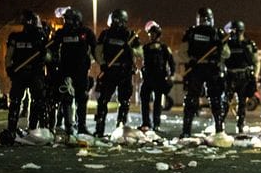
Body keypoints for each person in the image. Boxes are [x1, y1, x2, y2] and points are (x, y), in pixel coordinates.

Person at [177, 7, 230, 138]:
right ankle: (191, 130)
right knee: (198, 99)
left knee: (210, 99)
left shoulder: (200, 32)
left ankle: (191, 130)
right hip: (203, 69)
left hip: (203, 69)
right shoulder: (215, 33)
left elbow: (182, 52)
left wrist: (220, 46)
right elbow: (226, 54)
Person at [0, 10, 49, 144]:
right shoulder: (39, 38)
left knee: (18, 101)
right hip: (31, 74)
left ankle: (15, 129)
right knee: (36, 101)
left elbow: (8, 56)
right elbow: (47, 57)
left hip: (23, 73)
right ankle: (34, 129)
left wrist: (9, 68)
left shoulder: (16, 37)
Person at [93, 9, 142, 137]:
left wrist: (130, 48)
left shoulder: (130, 35)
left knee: (124, 101)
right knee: (103, 100)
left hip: (124, 71)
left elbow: (140, 52)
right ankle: (99, 128)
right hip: (109, 70)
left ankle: (120, 128)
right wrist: (102, 63)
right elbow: (98, 51)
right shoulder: (105, 34)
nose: (115, 22)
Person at [51, 8, 96, 136]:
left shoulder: (85, 32)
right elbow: (53, 48)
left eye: (68, 19)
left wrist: (101, 63)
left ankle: (81, 126)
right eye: (65, 19)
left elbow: (95, 48)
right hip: (66, 71)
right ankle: (69, 127)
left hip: (81, 71)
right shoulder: (61, 33)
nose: (66, 22)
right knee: (67, 98)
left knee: (82, 98)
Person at [139, 20, 175, 132]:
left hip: (159, 77)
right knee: (144, 99)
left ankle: (156, 124)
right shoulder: (145, 47)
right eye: (150, 34)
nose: (151, 36)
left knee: (157, 101)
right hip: (147, 77)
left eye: (153, 34)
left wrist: (171, 75)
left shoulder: (164, 48)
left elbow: (171, 62)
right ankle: (146, 122)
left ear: (158, 35)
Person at [223, 20, 259, 133]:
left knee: (242, 103)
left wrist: (255, 76)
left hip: (243, 76)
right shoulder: (226, 44)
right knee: (225, 102)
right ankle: (220, 124)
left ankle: (240, 125)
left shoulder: (248, 44)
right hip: (229, 75)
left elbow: (256, 61)